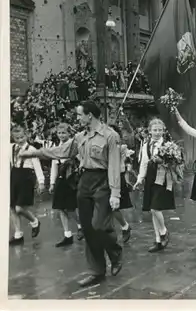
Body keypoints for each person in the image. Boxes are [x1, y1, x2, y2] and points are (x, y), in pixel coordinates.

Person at [19, 100, 123, 287]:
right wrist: (35, 153)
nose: (77, 117)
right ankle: (96, 270)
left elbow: (114, 166)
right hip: (84, 182)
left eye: (79, 114)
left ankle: (115, 252)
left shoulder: (110, 136)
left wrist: (115, 193)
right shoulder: (80, 137)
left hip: (103, 182)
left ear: (89, 115)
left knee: (99, 225)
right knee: (88, 228)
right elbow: (61, 151)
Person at [134, 118, 176, 251]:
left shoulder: (168, 145)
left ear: (163, 131)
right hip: (150, 178)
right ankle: (158, 240)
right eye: (155, 130)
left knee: (155, 208)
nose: (157, 133)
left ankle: (164, 231)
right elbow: (144, 163)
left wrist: (163, 161)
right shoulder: (146, 144)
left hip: (162, 178)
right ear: (150, 131)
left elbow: (174, 163)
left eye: (160, 130)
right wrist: (140, 178)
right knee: (152, 211)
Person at [49, 123, 84, 247]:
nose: (61, 135)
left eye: (64, 133)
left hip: (71, 178)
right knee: (60, 207)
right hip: (60, 178)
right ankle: (67, 234)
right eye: (59, 133)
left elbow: (81, 160)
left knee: (70, 207)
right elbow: (54, 165)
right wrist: (52, 183)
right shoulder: (55, 146)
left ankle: (81, 225)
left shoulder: (74, 146)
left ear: (69, 133)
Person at [10, 125, 45, 246]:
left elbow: (37, 167)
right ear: (13, 138)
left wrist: (41, 181)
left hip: (26, 178)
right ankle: (18, 234)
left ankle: (35, 222)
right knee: (12, 207)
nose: (20, 140)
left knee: (20, 208)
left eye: (22, 137)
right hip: (14, 176)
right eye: (17, 138)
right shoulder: (11, 148)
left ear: (26, 135)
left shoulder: (31, 149)